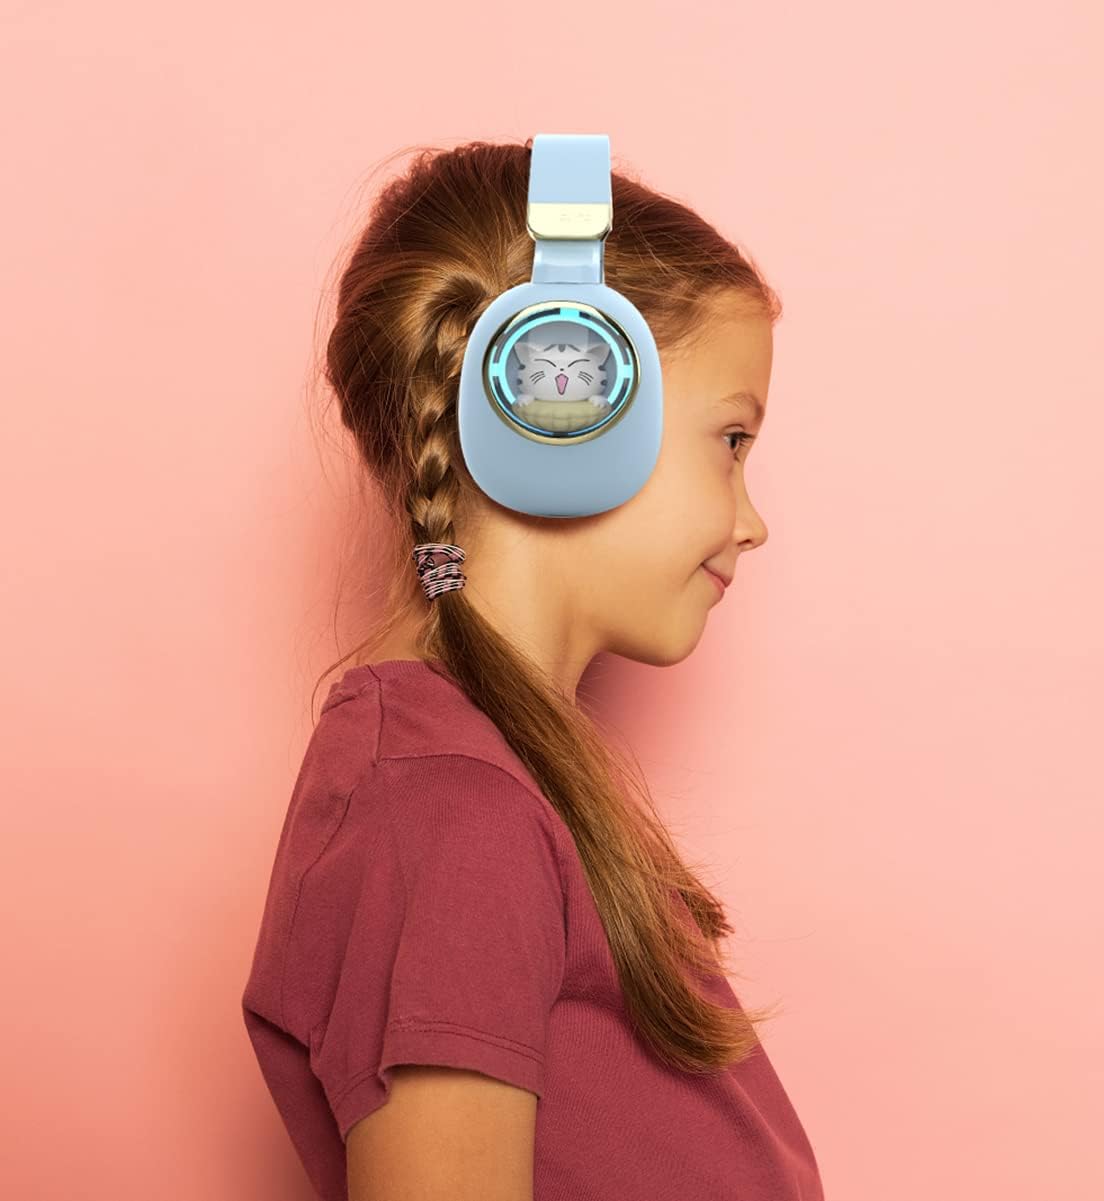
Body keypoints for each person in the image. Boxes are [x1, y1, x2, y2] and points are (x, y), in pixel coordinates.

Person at [241, 138, 825, 1201]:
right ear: (563, 416)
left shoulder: (491, 782)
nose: (752, 519)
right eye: (731, 440)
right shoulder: (448, 814)